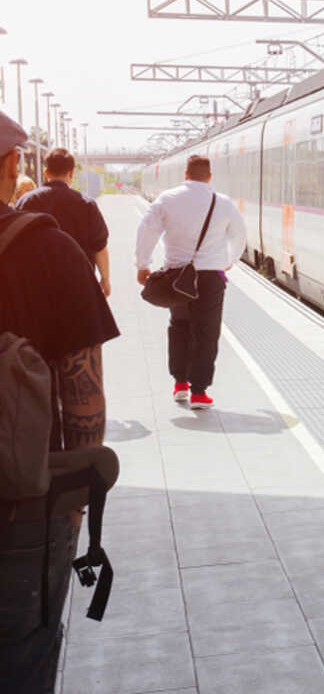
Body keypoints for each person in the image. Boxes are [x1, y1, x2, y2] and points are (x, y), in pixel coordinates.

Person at [0, 112, 119, 694]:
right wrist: (76, 502)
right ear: (12, 166)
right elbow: (83, 397)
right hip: (24, 501)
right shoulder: (49, 252)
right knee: (24, 653)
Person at [135, 154, 244, 410]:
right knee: (206, 333)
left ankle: (180, 384)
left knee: (179, 326)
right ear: (209, 176)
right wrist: (229, 261)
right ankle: (199, 393)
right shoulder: (224, 203)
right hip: (209, 278)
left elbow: (146, 228)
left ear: (186, 173)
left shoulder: (168, 199)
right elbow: (239, 236)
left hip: (177, 276)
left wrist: (143, 264)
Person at [16, 148, 112, 297]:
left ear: (46, 173)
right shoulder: (86, 204)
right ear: (72, 173)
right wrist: (105, 279)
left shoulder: (26, 201)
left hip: (36, 288)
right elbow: (100, 247)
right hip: (79, 287)